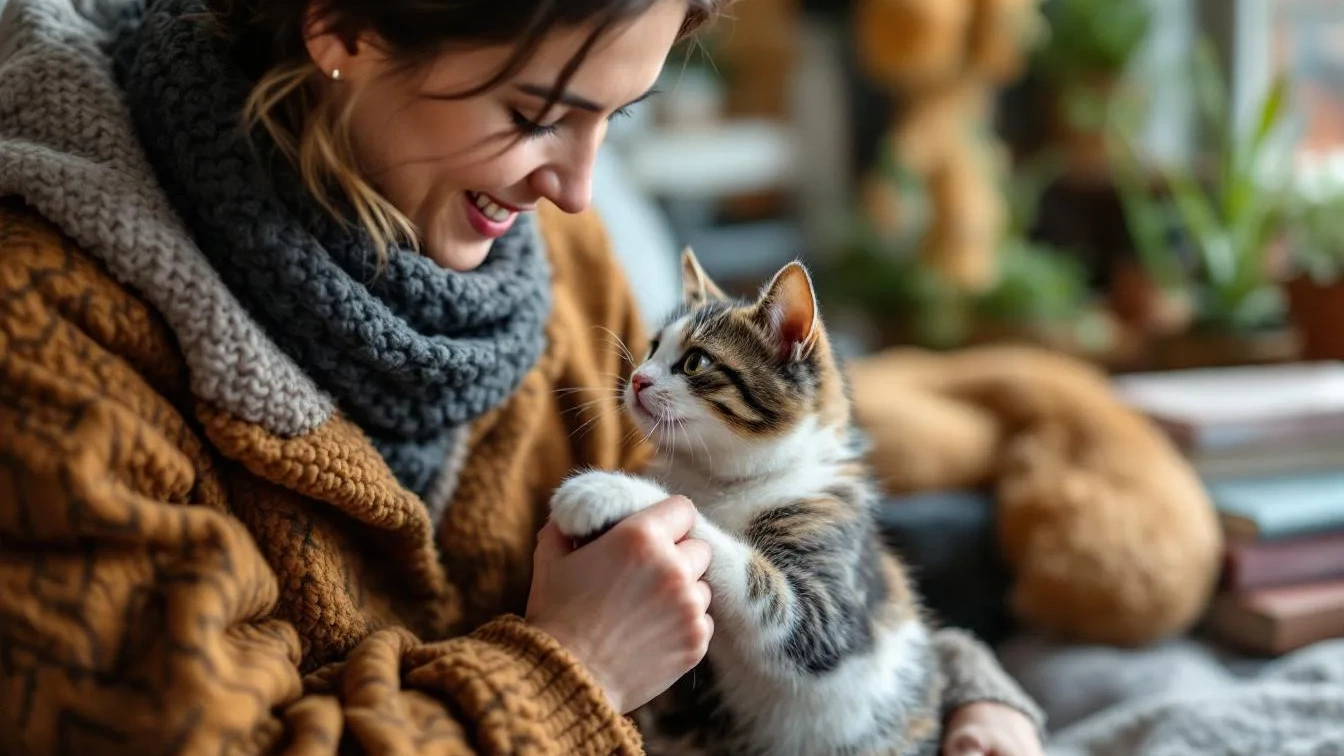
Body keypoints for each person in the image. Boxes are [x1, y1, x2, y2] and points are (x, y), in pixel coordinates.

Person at [0, 0, 1046, 753]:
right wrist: (571, 669)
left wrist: (966, 694)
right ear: (344, 27)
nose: (580, 191)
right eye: (539, 112)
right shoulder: (48, 323)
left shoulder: (550, 267)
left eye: (614, 118)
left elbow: (768, 568)